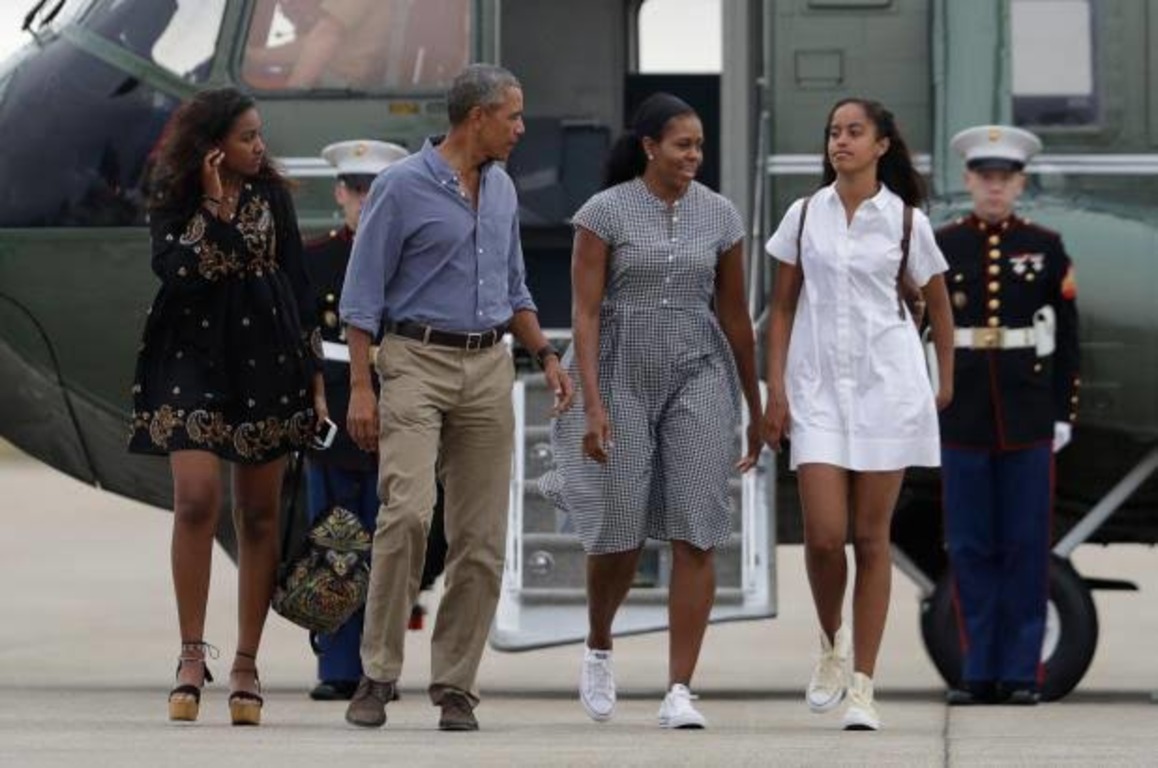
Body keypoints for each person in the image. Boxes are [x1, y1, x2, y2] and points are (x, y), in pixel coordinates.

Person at [338, 63, 573, 731]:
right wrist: (362, 386)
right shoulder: (400, 188)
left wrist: (547, 357)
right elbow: (361, 298)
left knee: (481, 537)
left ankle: (455, 686)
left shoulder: (501, 191)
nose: (522, 129)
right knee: (408, 512)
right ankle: (378, 671)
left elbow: (516, 288)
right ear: (478, 119)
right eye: (514, 116)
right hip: (414, 359)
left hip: (487, 367)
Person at [539, 93, 763, 730]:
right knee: (620, 527)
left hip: (697, 370)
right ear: (649, 147)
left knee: (698, 526)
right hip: (618, 371)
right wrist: (592, 402)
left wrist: (756, 404)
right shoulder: (603, 213)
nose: (693, 155)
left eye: (698, 145)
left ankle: (679, 690)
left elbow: (735, 318)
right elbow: (583, 314)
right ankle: (600, 644)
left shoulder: (721, 216)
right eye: (681, 144)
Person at [128, 87, 325, 726]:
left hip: (266, 355)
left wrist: (316, 378)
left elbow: (297, 285)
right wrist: (212, 203)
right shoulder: (176, 196)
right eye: (246, 137)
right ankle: (191, 653)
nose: (259, 147)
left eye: (259, 135)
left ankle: (246, 661)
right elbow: (179, 271)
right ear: (213, 145)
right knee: (195, 500)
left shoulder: (274, 198)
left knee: (260, 515)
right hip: (188, 354)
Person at [761, 98, 954, 731]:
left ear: (881, 146)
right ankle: (829, 645)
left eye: (853, 132)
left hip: (885, 389)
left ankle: (865, 687)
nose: (839, 142)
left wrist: (943, 382)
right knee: (823, 535)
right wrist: (777, 389)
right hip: (816, 389)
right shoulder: (803, 215)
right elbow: (783, 307)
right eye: (833, 133)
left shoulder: (905, 222)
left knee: (873, 540)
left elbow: (940, 308)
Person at [936, 125, 1081, 707]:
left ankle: (1023, 672)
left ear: (1020, 183)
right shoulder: (944, 246)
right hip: (963, 411)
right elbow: (922, 328)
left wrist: (1063, 412)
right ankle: (978, 670)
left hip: (1025, 413)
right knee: (970, 546)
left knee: (1024, 544)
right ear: (969, 180)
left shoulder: (1045, 246)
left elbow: (1068, 338)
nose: (995, 189)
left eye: (1006, 179)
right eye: (985, 178)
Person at [300, 138, 444, 702]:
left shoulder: (412, 259)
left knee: (394, 537)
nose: (364, 199)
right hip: (334, 407)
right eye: (356, 188)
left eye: (375, 189)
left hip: (404, 398)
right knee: (335, 535)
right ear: (339, 192)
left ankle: (377, 665)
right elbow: (303, 336)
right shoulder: (316, 259)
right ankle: (337, 665)